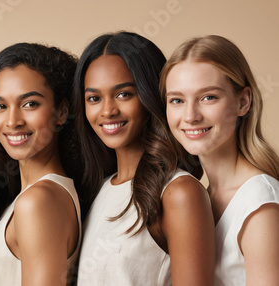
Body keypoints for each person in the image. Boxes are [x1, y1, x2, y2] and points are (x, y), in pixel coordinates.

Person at [73, 32, 215, 285]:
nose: (107, 111)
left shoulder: (179, 193)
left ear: (150, 95)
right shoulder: (99, 190)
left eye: (123, 94)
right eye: (94, 98)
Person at [160, 35, 279, 285]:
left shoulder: (260, 203)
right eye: (177, 100)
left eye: (208, 97)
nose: (190, 116)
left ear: (243, 102)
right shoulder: (201, 195)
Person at [0, 43, 82, 286]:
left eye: (29, 104)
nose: (13, 121)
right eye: (0, 106)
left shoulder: (39, 201)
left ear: (61, 112)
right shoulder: (38, 195)